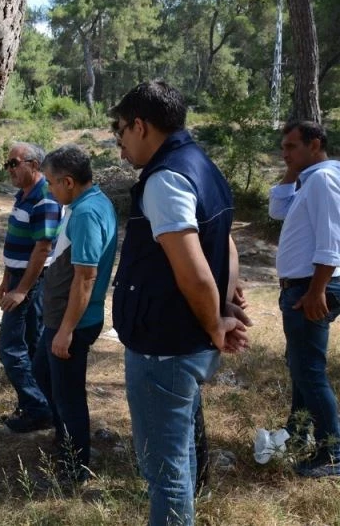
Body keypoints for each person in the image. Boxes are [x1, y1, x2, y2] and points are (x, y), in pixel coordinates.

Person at [110, 81, 248, 526]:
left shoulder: (166, 177)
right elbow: (225, 243)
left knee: (164, 472)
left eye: (121, 130)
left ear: (140, 125)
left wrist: (215, 322)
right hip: (181, 343)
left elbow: (191, 268)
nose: (120, 141)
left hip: (164, 348)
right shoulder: (201, 164)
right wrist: (224, 304)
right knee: (181, 454)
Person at [31, 144, 117, 482]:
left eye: (50, 183)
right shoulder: (85, 203)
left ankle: (75, 465)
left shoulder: (86, 213)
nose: (49, 190)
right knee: (42, 371)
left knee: (69, 395)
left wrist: (66, 330)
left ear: (68, 181)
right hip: (60, 319)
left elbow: (86, 277)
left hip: (74, 322)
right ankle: (65, 436)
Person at [269, 120, 340, 478]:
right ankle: (298, 432)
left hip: (311, 286)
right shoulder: (309, 181)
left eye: (292, 147)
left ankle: (333, 454)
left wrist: (316, 292)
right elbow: (277, 210)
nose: (285, 153)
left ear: (315, 145)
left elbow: (331, 241)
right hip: (303, 285)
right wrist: (291, 169)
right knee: (299, 364)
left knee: (309, 370)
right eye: (283, 147)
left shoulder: (325, 180)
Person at [0, 142, 62, 433]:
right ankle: (41, 406)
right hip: (17, 277)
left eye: (14, 163)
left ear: (34, 165)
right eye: (8, 164)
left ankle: (37, 409)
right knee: (33, 346)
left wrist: (22, 289)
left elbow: (42, 249)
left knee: (10, 348)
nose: (9, 169)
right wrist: (5, 278)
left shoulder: (45, 197)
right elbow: (16, 242)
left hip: (31, 283)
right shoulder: (23, 195)